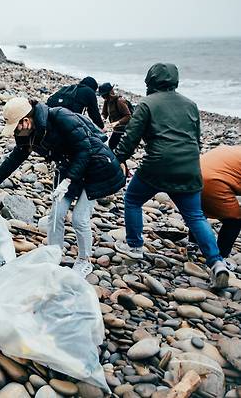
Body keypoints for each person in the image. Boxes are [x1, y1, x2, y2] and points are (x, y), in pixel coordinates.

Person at [0, 98, 125, 278]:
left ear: (26, 121)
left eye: (16, 127)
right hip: (69, 167)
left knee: (79, 218)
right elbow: (16, 157)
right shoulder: (27, 132)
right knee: (56, 213)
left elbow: (84, 150)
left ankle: (84, 262)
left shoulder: (61, 117)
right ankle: (53, 256)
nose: (15, 132)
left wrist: (68, 181)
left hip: (97, 169)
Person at [114, 63, 229, 288]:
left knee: (133, 200)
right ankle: (217, 263)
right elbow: (196, 140)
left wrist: (117, 158)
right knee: (195, 216)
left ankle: (135, 247)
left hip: (157, 165)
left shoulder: (147, 103)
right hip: (189, 166)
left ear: (151, 81)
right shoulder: (191, 104)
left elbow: (131, 138)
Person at [200, 145, 241, 271]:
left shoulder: (235, 150)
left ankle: (193, 243)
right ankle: (220, 258)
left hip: (193, 176)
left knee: (199, 214)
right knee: (234, 221)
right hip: (213, 181)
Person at [99, 82, 132, 150]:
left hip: (124, 130)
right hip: (116, 130)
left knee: (114, 146)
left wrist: (117, 122)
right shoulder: (107, 101)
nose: (103, 97)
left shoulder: (120, 101)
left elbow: (128, 116)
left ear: (109, 93)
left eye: (104, 95)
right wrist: (102, 119)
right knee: (112, 145)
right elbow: (104, 114)